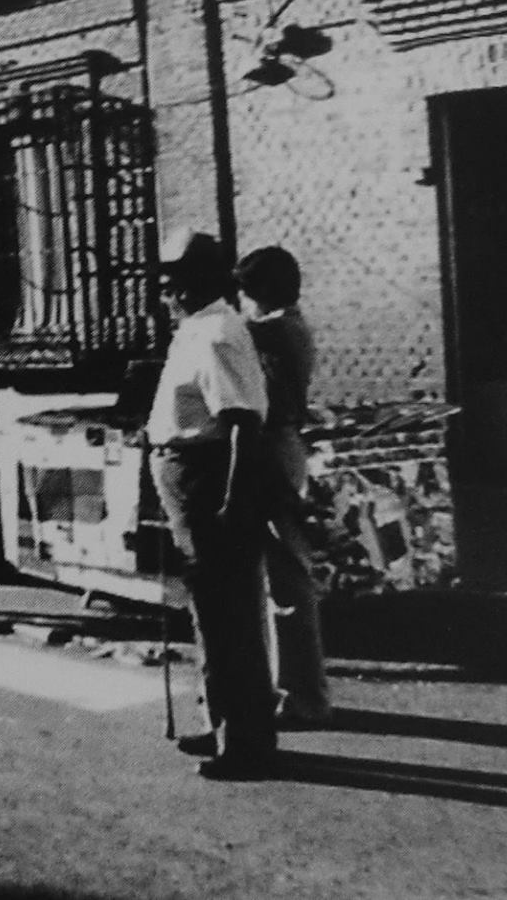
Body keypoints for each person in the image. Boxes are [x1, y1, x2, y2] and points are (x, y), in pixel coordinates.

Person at [147, 229, 276, 780]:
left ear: (197, 281)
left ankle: (246, 743)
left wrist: (232, 502)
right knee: (208, 612)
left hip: (208, 483)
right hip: (188, 479)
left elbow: (243, 421)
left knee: (229, 618)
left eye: (172, 279)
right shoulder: (197, 328)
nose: (164, 290)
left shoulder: (219, 333)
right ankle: (221, 718)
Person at [234, 246, 332, 730]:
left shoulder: (275, 329)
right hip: (283, 447)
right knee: (282, 576)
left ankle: (305, 697)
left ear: (257, 294)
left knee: (288, 578)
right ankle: (294, 689)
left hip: (276, 450)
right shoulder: (289, 325)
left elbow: (235, 334)